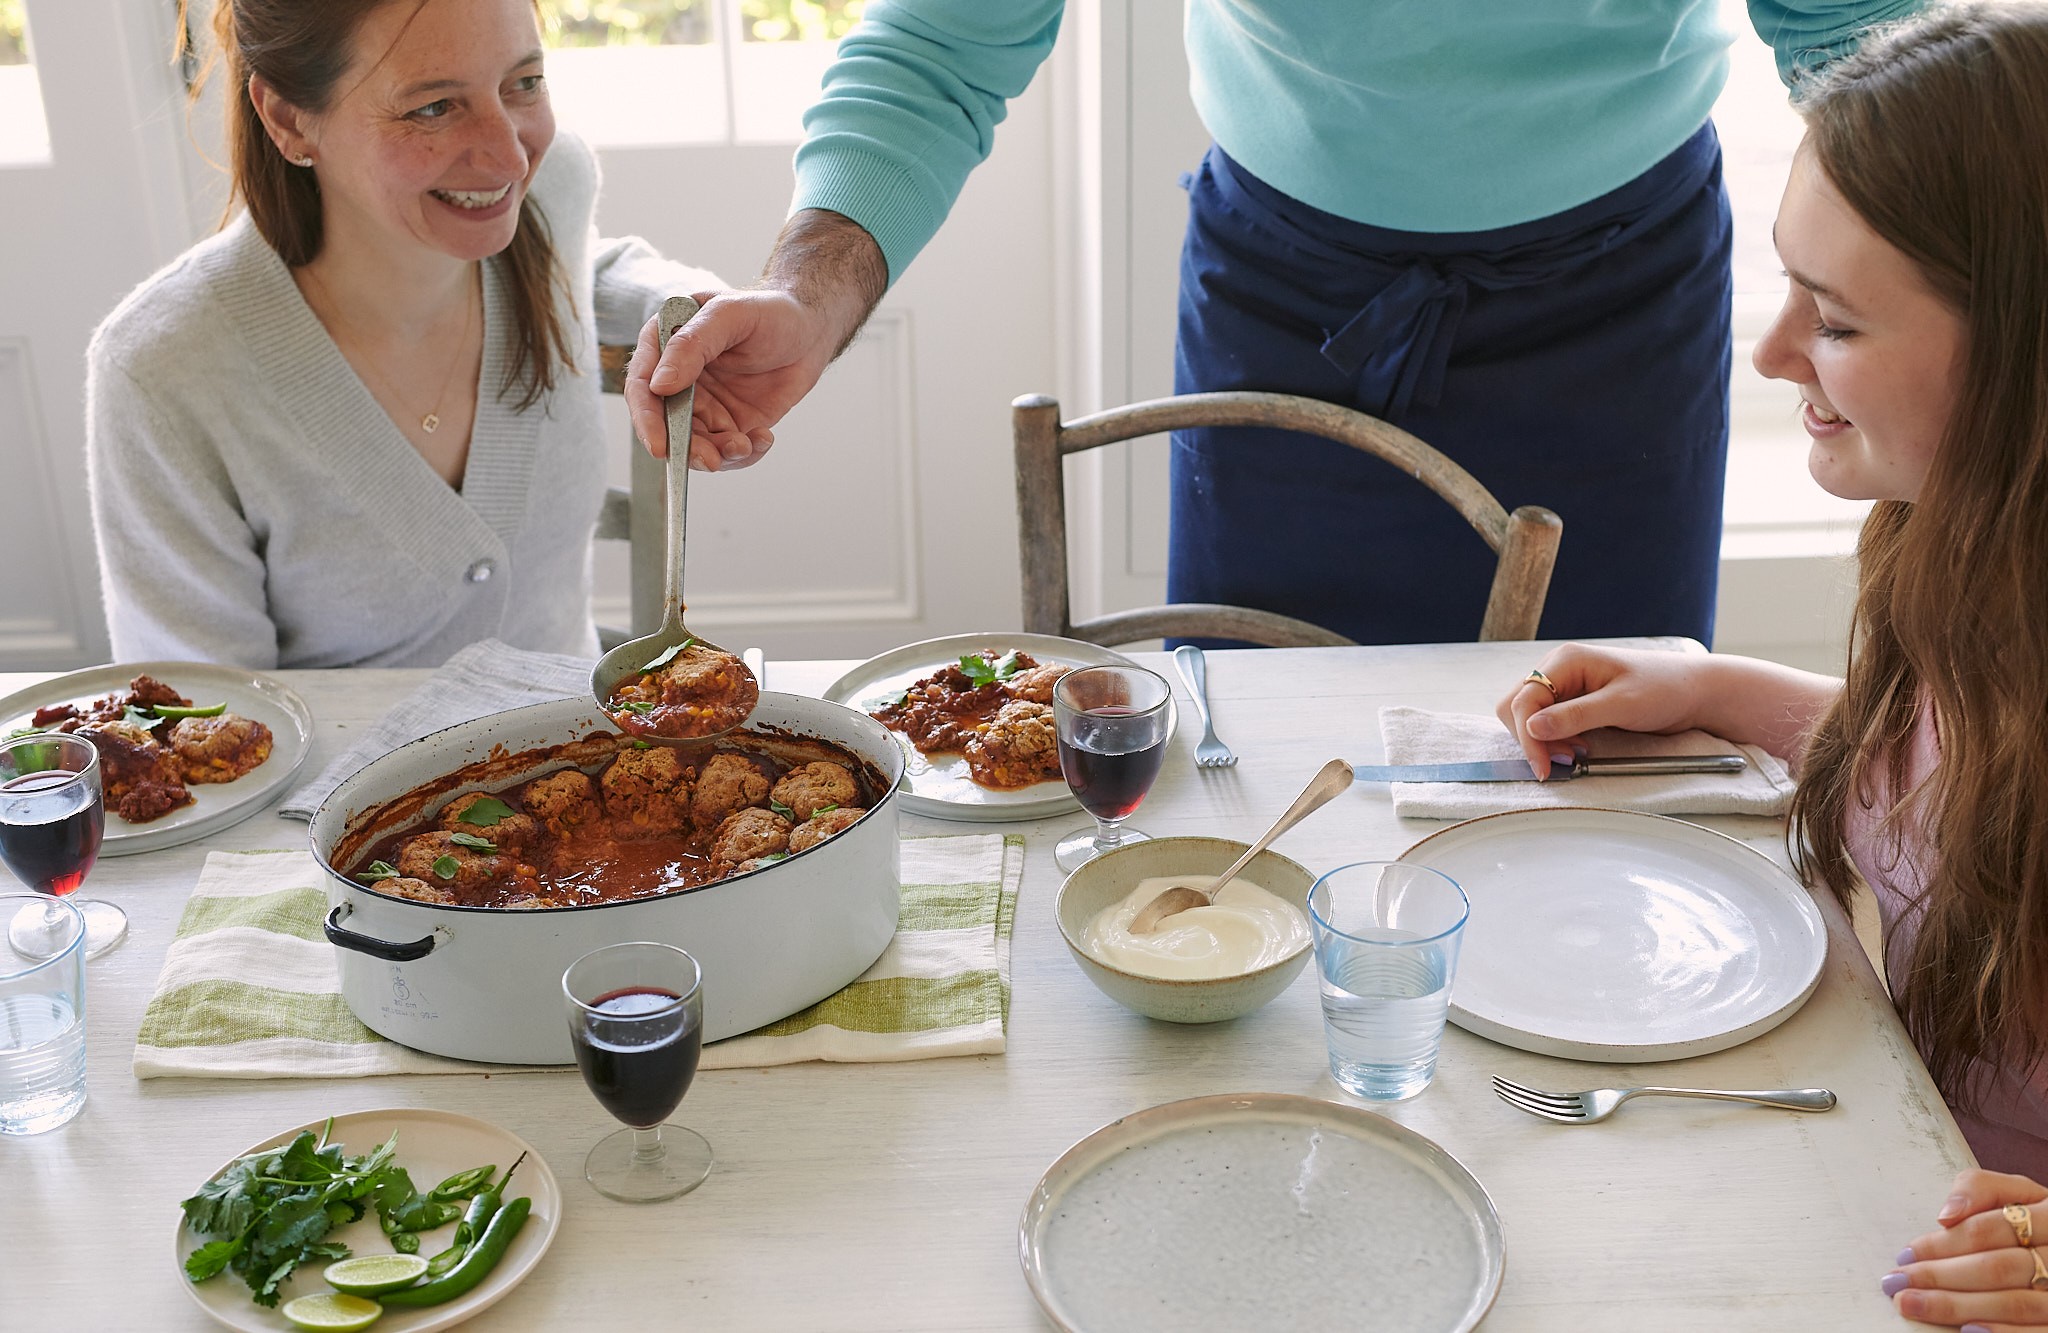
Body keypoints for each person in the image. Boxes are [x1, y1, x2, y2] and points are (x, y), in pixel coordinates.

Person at [626, 0, 1917, 647]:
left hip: (1618, 300)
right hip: (1291, 299)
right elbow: (945, 45)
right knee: (1260, 779)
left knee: (1608, 767)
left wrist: (1962, 274)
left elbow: (1861, 35)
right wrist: (809, 289)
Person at [1490, 7, 2048, 1323]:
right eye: (1792, 280)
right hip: (1876, 1177)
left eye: (1841, 322)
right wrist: (1721, 692)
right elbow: (1951, 778)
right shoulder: (1963, 566)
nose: (1773, 348)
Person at [87, 0, 721, 668]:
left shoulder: (546, 191)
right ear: (288, 118)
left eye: (524, 83)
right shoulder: (162, 376)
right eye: (433, 107)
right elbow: (207, 734)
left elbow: (571, 261)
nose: (510, 157)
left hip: (589, 757)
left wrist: (688, 307)